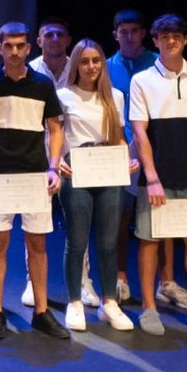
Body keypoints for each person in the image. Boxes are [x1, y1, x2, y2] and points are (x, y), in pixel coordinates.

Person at [0, 21, 69, 340]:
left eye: (20, 46)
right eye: (9, 46)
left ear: (29, 48)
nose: (15, 52)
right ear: (0, 48)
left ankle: (41, 312)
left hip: (36, 177)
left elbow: (55, 129)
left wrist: (54, 167)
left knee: (37, 245)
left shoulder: (42, 85)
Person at [129, 13, 187, 337]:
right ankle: (149, 308)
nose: (171, 41)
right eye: (164, 36)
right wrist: (152, 177)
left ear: (184, 40)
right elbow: (139, 133)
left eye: (177, 36)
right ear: (154, 41)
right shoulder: (141, 80)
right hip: (158, 179)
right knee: (150, 241)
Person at [55, 40, 136, 331]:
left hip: (108, 169)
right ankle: (75, 302)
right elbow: (53, 135)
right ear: (76, 64)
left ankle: (109, 303)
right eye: (85, 61)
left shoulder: (114, 96)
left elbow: (118, 136)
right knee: (76, 241)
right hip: (77, 170)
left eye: (96, 60)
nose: (91, 66)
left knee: (108, 240)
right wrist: (55, 162)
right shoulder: (63, 95)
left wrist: (127, 159)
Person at [23, 16, 98, 307]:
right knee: (34, 223)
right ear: (39, 41)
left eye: (60, 34)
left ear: (68, 40)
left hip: (75, 159)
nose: (54, 39)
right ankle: (32, 281)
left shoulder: (80, 67)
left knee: (78, 224)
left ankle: (83, 280)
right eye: (48, 35)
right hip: (35, 158)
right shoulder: (28, 72)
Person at [105, 9, 172, 306]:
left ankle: (166, 282)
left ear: (144, 33)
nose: (129, 35)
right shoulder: (106, 67)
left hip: (156, 149)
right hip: (121, 151)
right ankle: (120, 277)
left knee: (161, 217)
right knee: (120, 216)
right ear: (115, 34)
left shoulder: (157, 65)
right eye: (123, 31)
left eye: (134, 30)